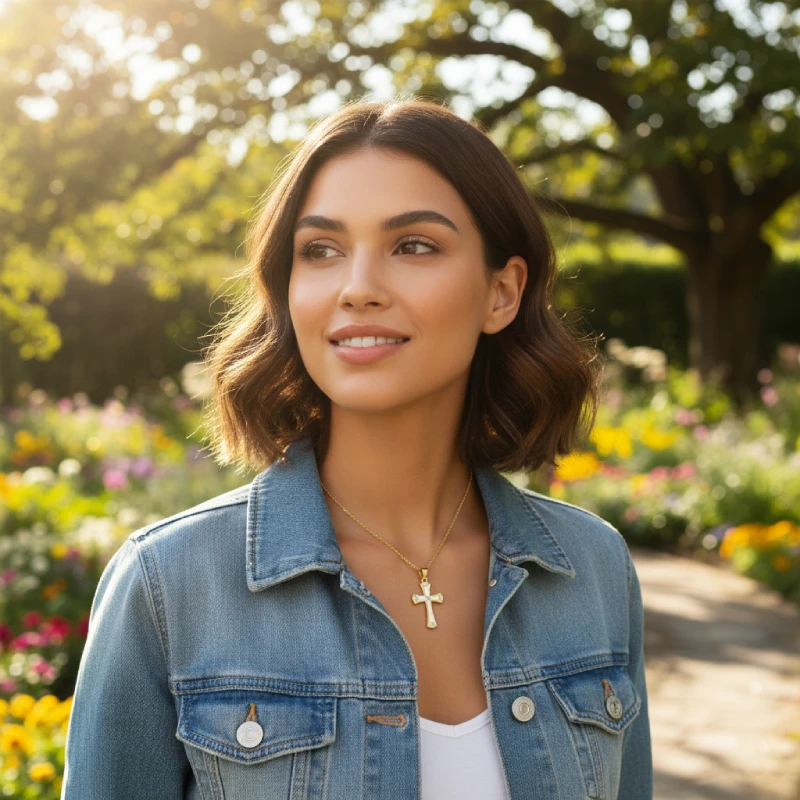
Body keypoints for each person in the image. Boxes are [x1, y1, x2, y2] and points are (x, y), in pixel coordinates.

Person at [61, 97, 653, 799]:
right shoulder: (169, 585)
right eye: (321, 251)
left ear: (502, 293)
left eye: (413, 246)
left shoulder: (594, 571)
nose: (359, 288)